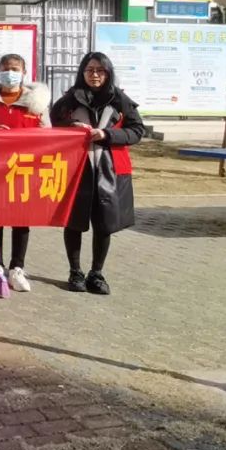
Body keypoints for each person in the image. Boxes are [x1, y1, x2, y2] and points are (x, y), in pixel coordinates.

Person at [51, 52, 144, 295]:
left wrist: (107, 135)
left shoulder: (120, 99)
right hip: (76, 170)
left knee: (104, 224)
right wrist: (72, 127)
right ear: (82, 72)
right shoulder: (69, 99)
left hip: (109, 170)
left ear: (108, 73)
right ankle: (75, 272)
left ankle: (97, 273)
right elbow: (54, 123)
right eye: (90, 70)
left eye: (100, 70)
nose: (95, 75)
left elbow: (137, 130)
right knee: (74, 222)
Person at [0, 53, 50, 293]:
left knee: (21, 219)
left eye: (15, 69)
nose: (10, 73)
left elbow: (49, 135)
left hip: (23, 169)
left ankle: (17, 267)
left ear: (24, 72)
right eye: (6, 68)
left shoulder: (36, 102)